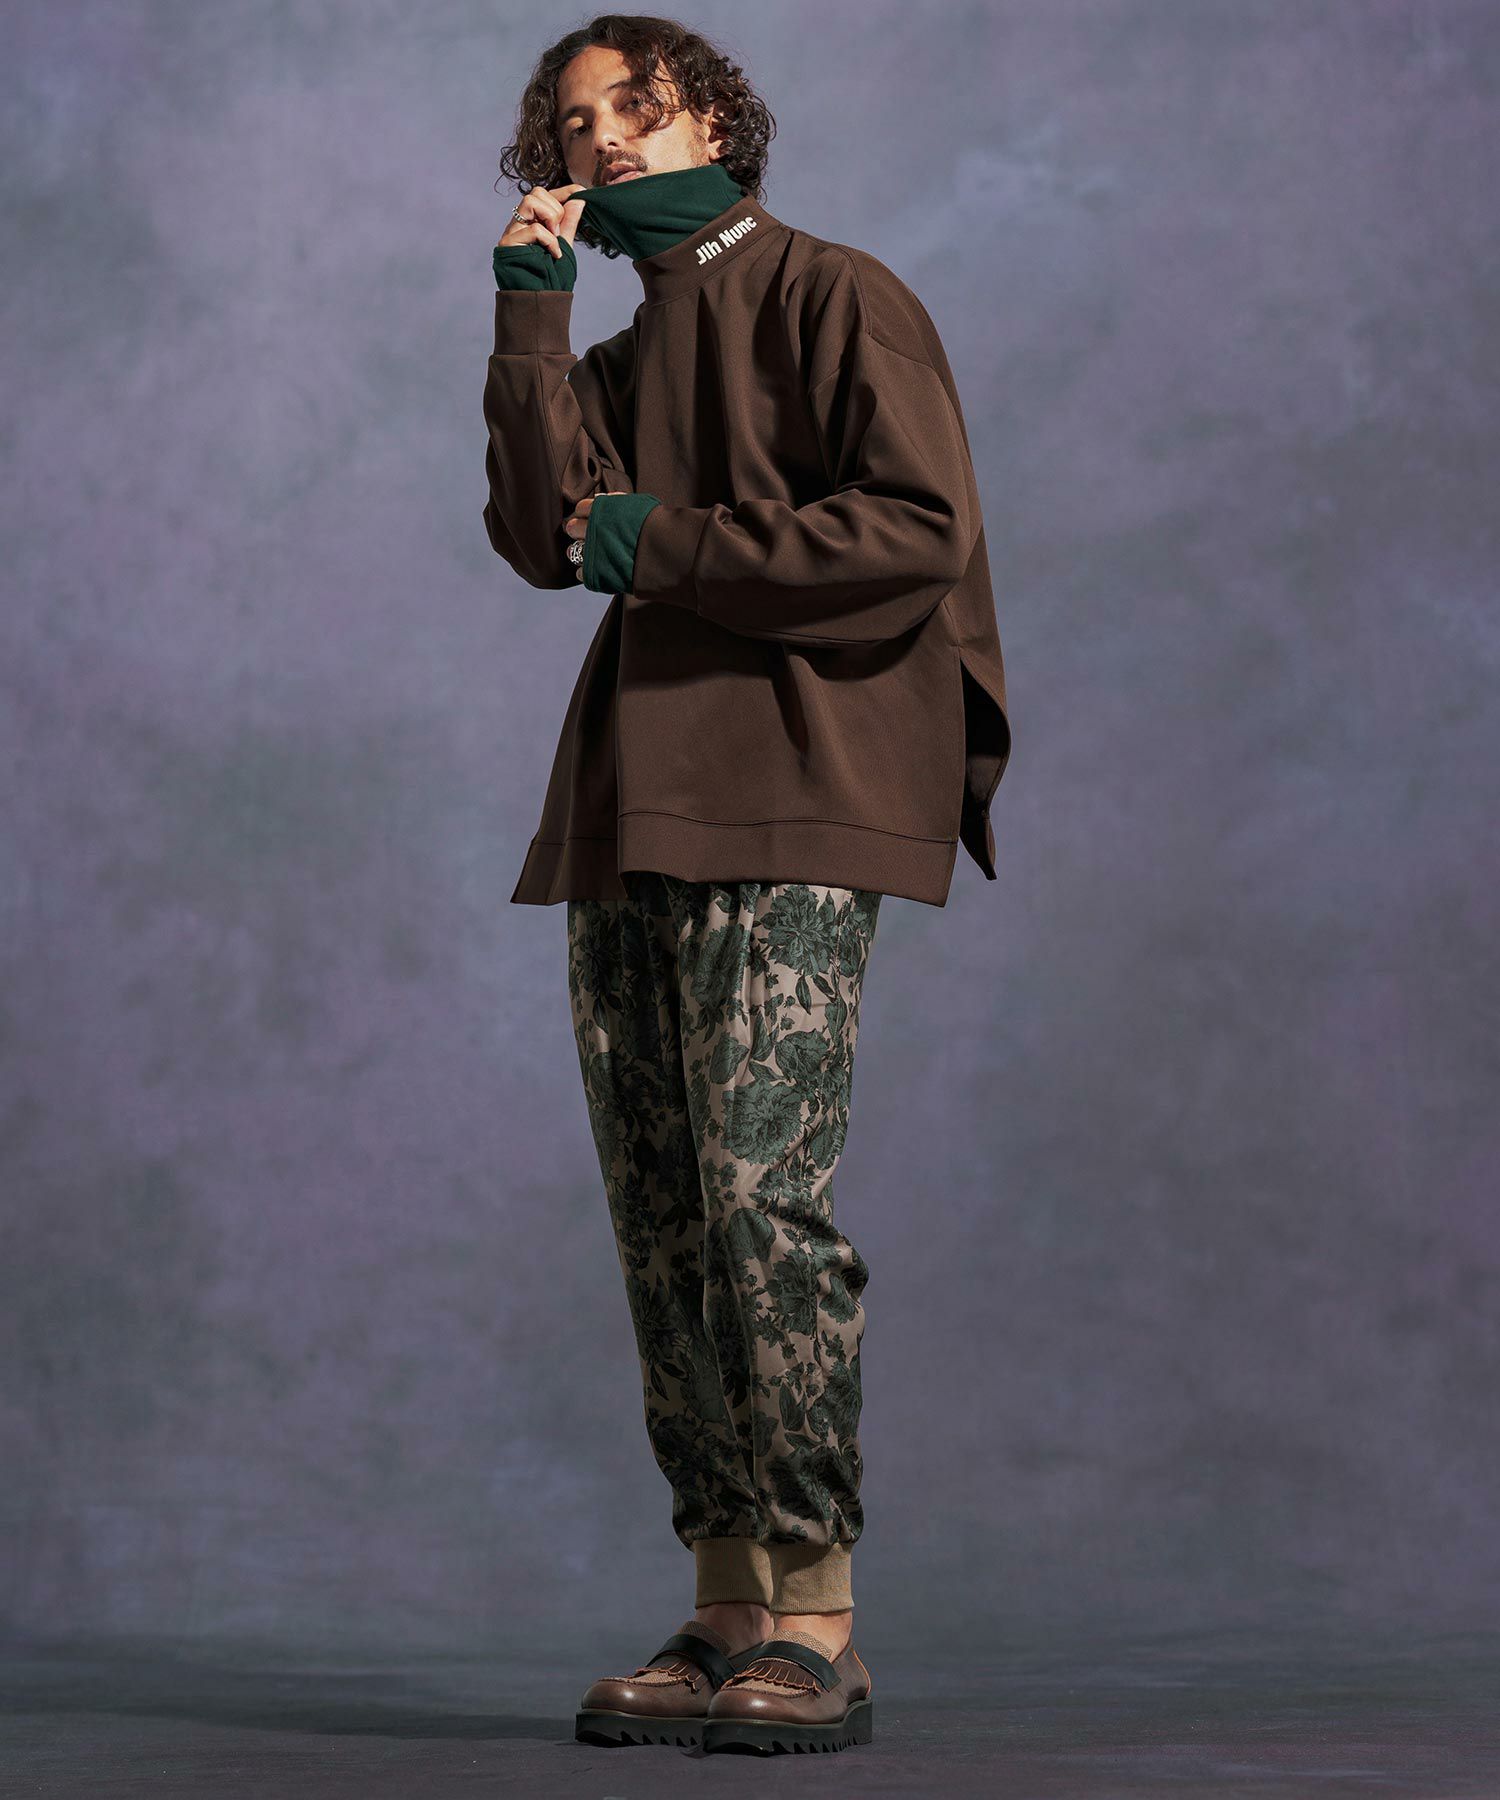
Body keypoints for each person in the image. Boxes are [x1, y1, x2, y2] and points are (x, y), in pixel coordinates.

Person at [483, 14, 1010, 1758]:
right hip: (631, 802)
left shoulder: (837, 294)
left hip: (797, 792)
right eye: (577, 123)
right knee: (662, 1217)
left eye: (636, 105)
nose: (608, 139)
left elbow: (916, 535)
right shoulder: (621, 354)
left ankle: (817, 1618)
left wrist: (664, 545)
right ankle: (723, 1605)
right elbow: (540, 530)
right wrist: (529, 312)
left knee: (758, 1203)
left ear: (711, 116)